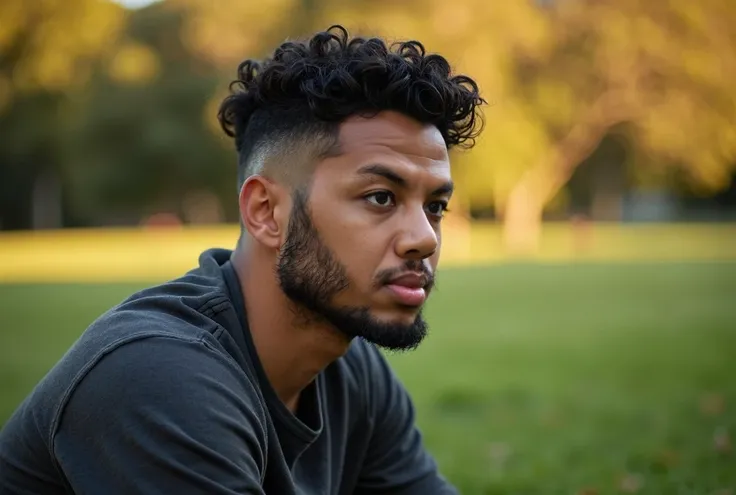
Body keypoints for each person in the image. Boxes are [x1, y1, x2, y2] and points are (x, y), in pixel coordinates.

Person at [0, 24, 484, 494]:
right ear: (266, 212)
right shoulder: (157, 378)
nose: (424, 238)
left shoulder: (351, 372)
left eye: (435, 206)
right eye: (380, 197)